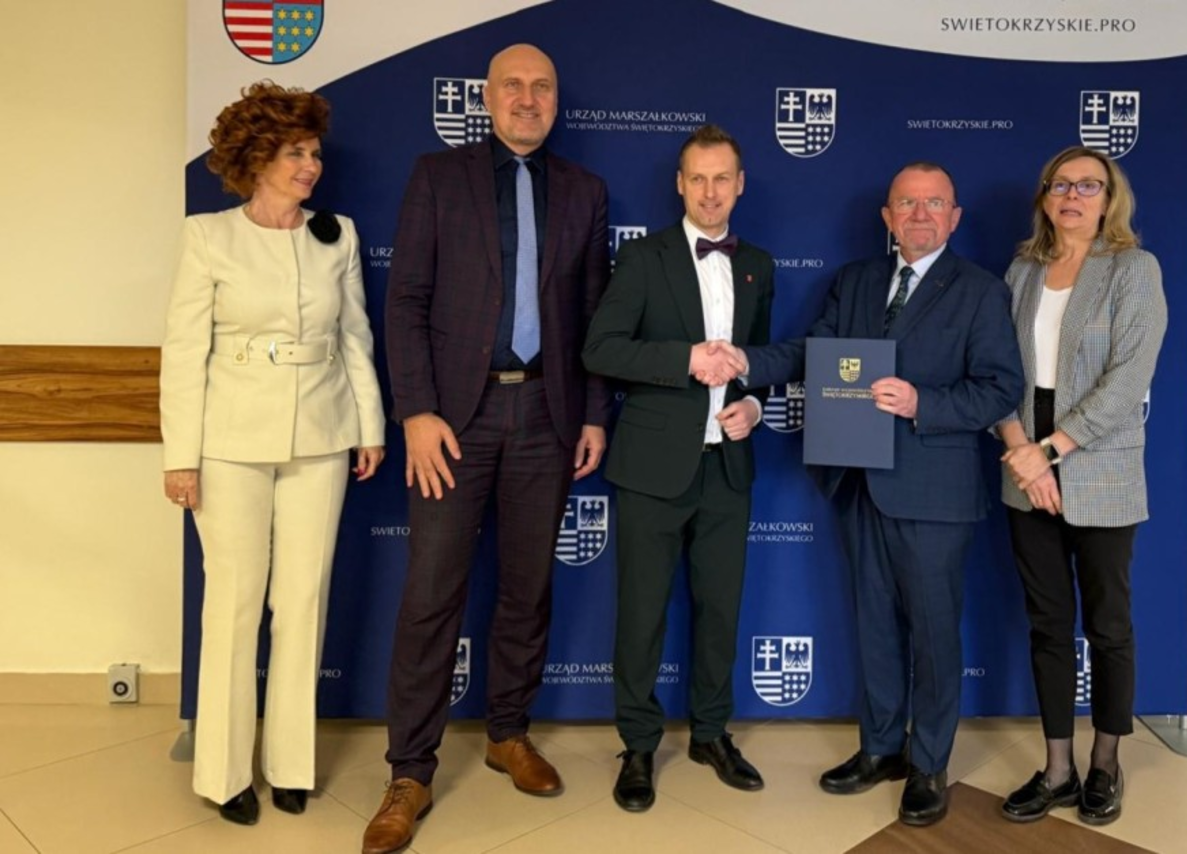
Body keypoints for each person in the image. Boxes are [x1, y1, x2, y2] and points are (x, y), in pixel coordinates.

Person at [718, 163, 1023, 826]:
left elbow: (1001, 389)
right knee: (876, 627)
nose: (920, 214)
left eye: (934, 203)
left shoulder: (980, 291)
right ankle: (882, 748)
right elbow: (812, 352)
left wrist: (922, 403)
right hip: (858, 482)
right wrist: (746, 363)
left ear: (955, 217)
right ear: (888, 217)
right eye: (907, 203)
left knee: (934, 636)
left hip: (935, 493)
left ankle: (930, 763)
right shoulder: (855, 280)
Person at [363, 44, 610, 854]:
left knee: (527, 588)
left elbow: (596, 317)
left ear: (556, 100)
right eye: (513, 86)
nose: (528, 98)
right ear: (488, 97)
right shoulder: (439, 177)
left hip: (547, 413)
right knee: (431, 593)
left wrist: (594, 414)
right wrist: (416, 411)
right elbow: (405, 301)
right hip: (452, 423)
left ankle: (508, 733)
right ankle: (410, 772)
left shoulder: (584, 190)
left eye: (542, 86)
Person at [160, 81, 386, 825]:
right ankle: (225, 773)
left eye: (314, 152)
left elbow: (355, 336)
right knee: (232, 602)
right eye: (294, 153)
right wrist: (180, 456)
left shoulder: (338, 234)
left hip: (322, 437)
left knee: (302, 599)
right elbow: (183, 353)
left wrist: (370, 427)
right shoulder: (208, 236)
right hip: (227, 445)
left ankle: (290, 764)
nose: (310, 165)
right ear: (256, 159)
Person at [583, 125, 773, 812]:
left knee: (720, 611)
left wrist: (753, 405)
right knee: (641, 615)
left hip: (729, 468)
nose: (710, 191)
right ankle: (637, 745)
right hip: (652, 467)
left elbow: (758, 361)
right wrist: (683, 359)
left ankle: (711, 734)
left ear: (740, 184)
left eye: (722, 178)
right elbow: (601, 348)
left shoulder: (759, 265)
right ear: (679, 184)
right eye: (698, 178)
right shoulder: (642, 257)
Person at [996, 146, 1166, 827]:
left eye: (1088, 185)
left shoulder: (1133, 268)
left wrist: (1051, 452)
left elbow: (1128, 380)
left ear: (1109, 198)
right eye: (1060, 185)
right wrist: (1023, 452)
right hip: (1025, 466)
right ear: (1044, 197)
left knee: (1109, 626)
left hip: (1100, 464)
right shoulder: (1021, 271)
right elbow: (997, 370)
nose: (1073, 196)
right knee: (1048, 624)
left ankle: (1105, 763)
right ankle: (1058, 768)